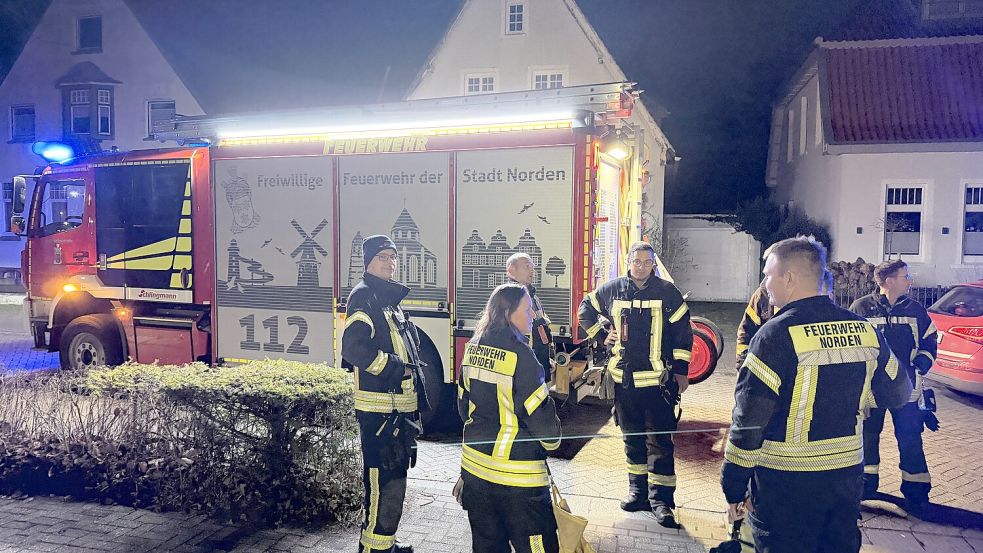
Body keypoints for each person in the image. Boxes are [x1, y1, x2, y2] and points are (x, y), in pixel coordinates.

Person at [720, 236, 912, 553]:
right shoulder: (864, 329)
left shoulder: (775, 335)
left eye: (768, 274)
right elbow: (899, 391)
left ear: (789, 278)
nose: (765, 284)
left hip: (786, 485)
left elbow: (749, 421)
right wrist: (860, 399)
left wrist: (734, 484)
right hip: (846, 479)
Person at [578, 241, 693, 528]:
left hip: (658, 384)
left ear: (654, 264)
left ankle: (662, 501)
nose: (641, 266)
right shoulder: (613, 289)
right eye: (636, 261)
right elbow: (585, 309)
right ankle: (638, 492)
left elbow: (682, 333)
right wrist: (602, 334)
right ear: (628, 261)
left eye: (647, 262)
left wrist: (681, 372)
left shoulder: (667, 293)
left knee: (660, 443)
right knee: (632, 439)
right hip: (624, 382)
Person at [456, 282, 562, 553]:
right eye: (527, 310)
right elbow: (544, 422)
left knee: (487, 547)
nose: (532, 316)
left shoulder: (472, 348)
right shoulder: (522, 356)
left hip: (476, 473)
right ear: (507, 314)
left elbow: (463, 407)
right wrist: (551, 446)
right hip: (519, 481)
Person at [342, 235, 430, 553]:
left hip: (396, 413)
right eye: (382, 257)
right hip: (380, 415)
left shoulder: (386, 298)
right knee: (382, 485)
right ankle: (373, 549)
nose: (390, 262)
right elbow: (353, 347)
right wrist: (397, 368)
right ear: (368, 261)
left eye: (393, 257)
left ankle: (386, 544)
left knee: (394, 484)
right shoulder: (363, 296)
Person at [849, 259, 937, 517]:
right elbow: (853, 347)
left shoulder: (916, 310)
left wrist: (920, 366)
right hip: (871, 390)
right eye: (905, 276)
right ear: (889, 281)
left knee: (910, 439)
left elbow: (930, 341)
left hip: (906, 390)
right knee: (866, 438)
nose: (909, 280)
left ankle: (917, 493)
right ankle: (865, 487)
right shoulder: (861, 308)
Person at [506, 252, 555, 377]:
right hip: (524, 368)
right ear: (511, 270)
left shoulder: (533, 297)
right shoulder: (510, 299)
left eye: (532, 266)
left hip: (537, 364)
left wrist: (548, 357)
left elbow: (542, 330)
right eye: (527, 266)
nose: (532, 270)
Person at [736, 281, 772, 368]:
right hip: (765, 365)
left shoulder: (806, 296)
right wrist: (742, 362)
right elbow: (746, 331)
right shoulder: (761, 295)